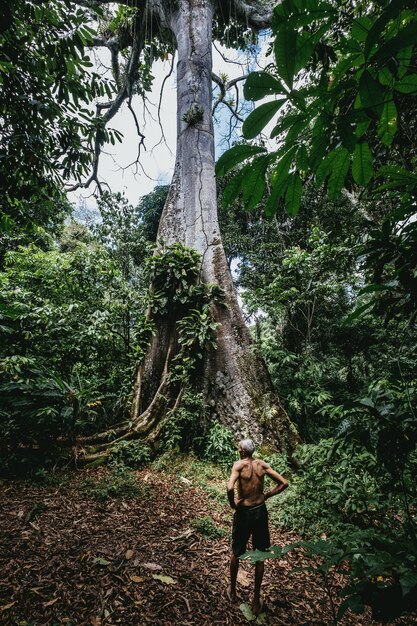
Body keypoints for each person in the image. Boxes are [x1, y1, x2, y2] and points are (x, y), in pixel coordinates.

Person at [226, 438, 289, 616]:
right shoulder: (261, 464)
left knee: (236, 551)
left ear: (242, 451)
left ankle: (232, 592)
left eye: (239, 448)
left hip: (244, 513)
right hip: (260, 512)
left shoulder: (238, 465)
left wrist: (234, 504)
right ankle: (255, 600)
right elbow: (284, 483)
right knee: (259, 555)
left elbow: (230, 488)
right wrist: (266, 496)